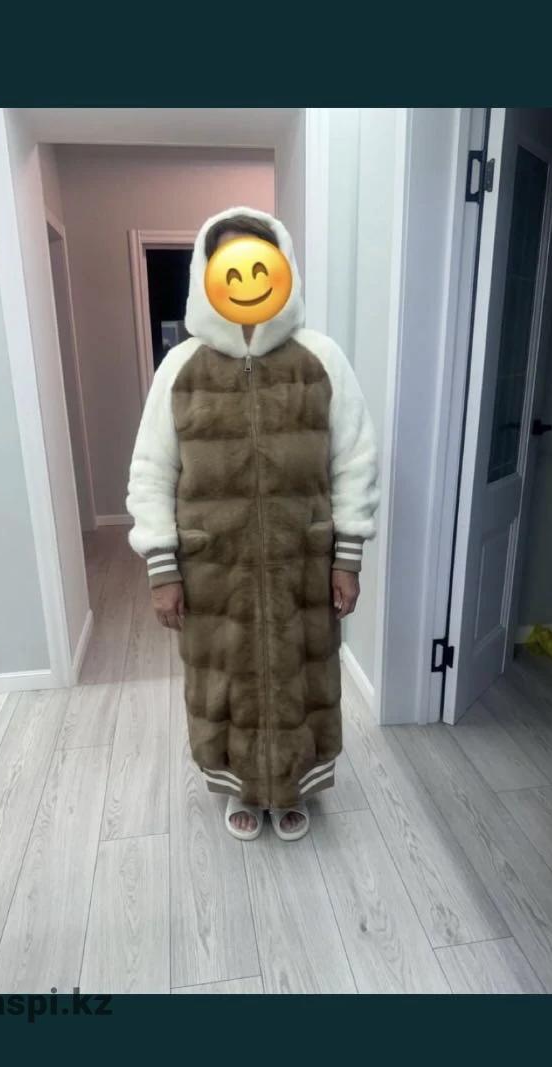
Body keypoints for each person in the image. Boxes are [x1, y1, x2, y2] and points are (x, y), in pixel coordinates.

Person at [126, 206, 378, 841]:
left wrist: (347, 555)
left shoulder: (320, 359)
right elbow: (151, 470)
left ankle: (292, 785)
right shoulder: (181, 367)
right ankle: (241, 785)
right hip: (214, 568)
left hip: (303, 561)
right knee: (226, 680)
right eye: (229, 264)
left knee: (301, 674)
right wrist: (162, 568)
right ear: (208, 274)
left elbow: (354, 459)